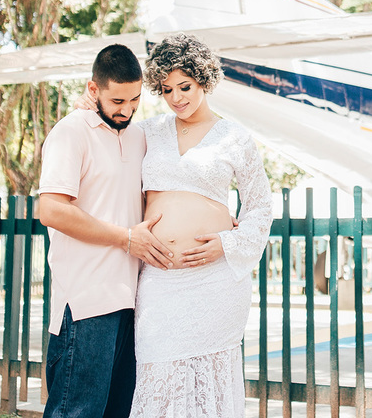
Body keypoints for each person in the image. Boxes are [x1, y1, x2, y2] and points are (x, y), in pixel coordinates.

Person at [79, 33, 273, 417]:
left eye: (185, 86)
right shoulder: (148, 131)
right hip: (160, 278)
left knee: (208, 386)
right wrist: (87, 103)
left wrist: (225, 244)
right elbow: (103, 132)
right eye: (166, 89)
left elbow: (260, 205)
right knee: (158, 376)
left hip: (215, 281)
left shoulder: (234, 137)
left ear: (204, 79)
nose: (177, 98)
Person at [36, 44, 174, 418]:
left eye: (134, 99)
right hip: (86, 302)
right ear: (92, 90)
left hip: (132, 302)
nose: (126, 110)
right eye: (117, 100)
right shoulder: (70, 131)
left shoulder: (138, 135)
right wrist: (126, 238)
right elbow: (49, 209)